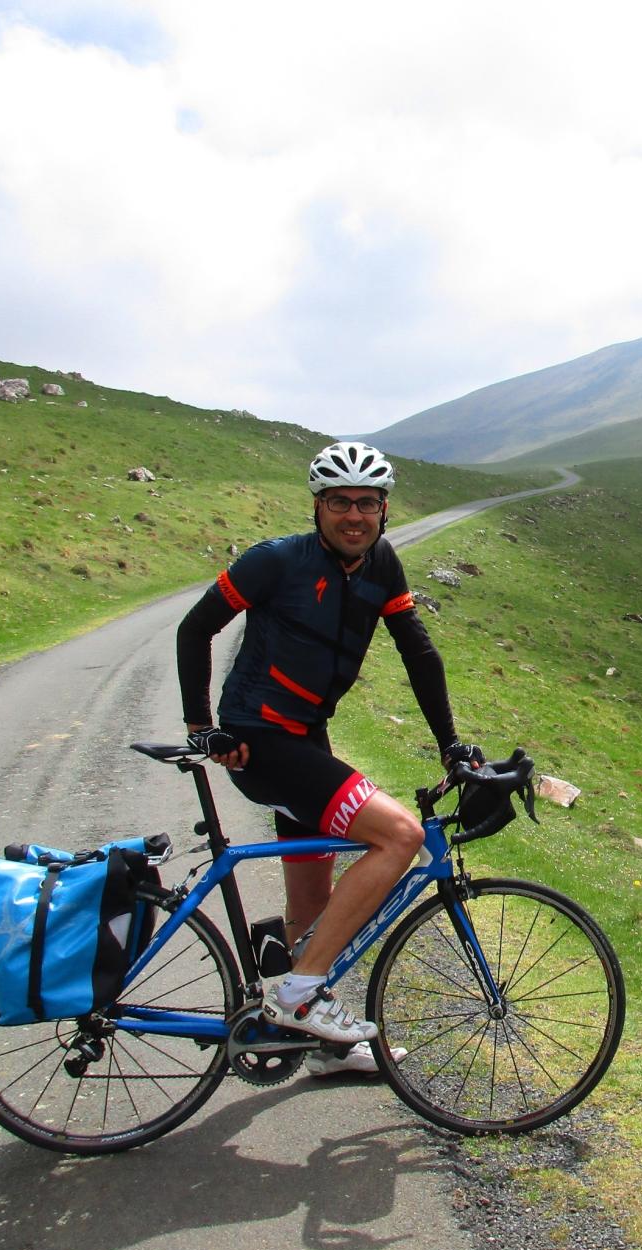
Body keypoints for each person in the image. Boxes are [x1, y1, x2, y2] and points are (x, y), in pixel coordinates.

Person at [176, 441, 478, 1074]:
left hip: (306, 739)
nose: (353, 515)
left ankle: (323, 1045)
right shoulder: (275, 562)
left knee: (311, 910)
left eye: (366, 503)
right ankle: (298, 993)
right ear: (318, 507)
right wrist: (203, 727)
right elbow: (194, 628)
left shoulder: (382, 565)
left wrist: (451, 746)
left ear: (384, 510)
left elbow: (418, 653)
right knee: (397, 837)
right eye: (339, 502)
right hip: (260, 739)